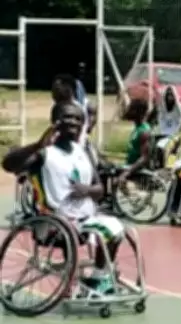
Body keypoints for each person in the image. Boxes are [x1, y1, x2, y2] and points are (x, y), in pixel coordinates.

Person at [2, 102, 126, 294]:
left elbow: (100, 189)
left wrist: (87, 190)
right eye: (68, 117)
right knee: (100, 229)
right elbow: (9, 165)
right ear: (55, 122)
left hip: (82, 218)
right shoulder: (45, 154)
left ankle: (98, 276)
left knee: (117, 228)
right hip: (54, 221)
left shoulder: (82, 153)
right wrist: (38, 143)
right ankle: (93, 280)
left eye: (78, 119)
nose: (73, 122)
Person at [147, 85, 181, 167]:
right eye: (167, 94)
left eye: (171, 94)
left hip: (174, 137)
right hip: (159, 135)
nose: (169, 97)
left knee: (161, 147)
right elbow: (147, 122)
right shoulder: (159, 109)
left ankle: (161, 168)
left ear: (175, 96)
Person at [117, 99, 153, 185]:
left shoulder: (144, 131)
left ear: (138, 112)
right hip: (130, 167)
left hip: (137, 173)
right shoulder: (137, 128)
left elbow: (144, 157)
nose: (129, 111)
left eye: (131, 109)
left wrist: (127, 173)